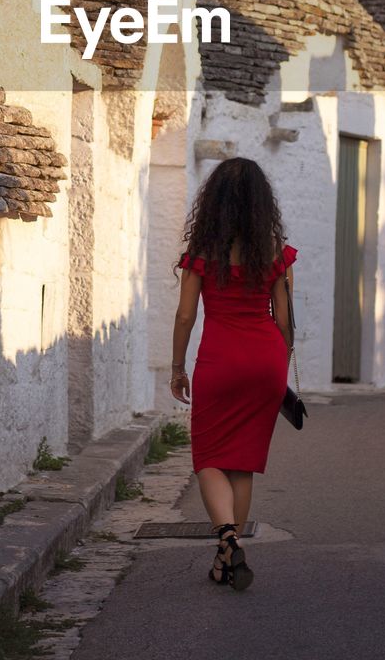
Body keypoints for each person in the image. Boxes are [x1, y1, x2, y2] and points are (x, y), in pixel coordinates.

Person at [170, 156, 298, 591]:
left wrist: (176, 367)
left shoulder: (202, 254)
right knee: (241, 462)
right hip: (266, 360)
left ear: (215, 203)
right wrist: (280, 368)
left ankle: (226, 538)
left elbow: (186, 316)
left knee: (208, 457)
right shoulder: (276, 254)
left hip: (220, 361)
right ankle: (228, 559)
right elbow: (284, 320)